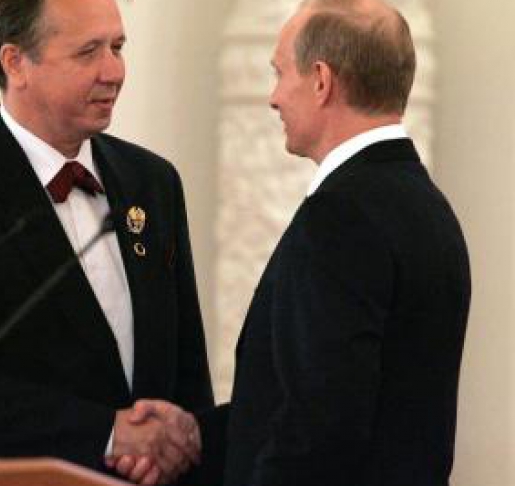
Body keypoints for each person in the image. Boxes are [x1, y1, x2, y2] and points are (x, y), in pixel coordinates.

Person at [126, 0, 471, 485]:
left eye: (280, 73)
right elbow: (342, 402)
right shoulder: (429, 208)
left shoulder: (342, 217)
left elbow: (321, 429)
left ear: (322, 81)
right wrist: (198, 433)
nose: (273, 98)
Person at [0, 0, 213, 482]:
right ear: (16, 62)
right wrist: (106, 433)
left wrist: (184, 443)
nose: (114, 72)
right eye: (88, 52)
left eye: (117, 47)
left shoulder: (152, 181)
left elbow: (187, 368)